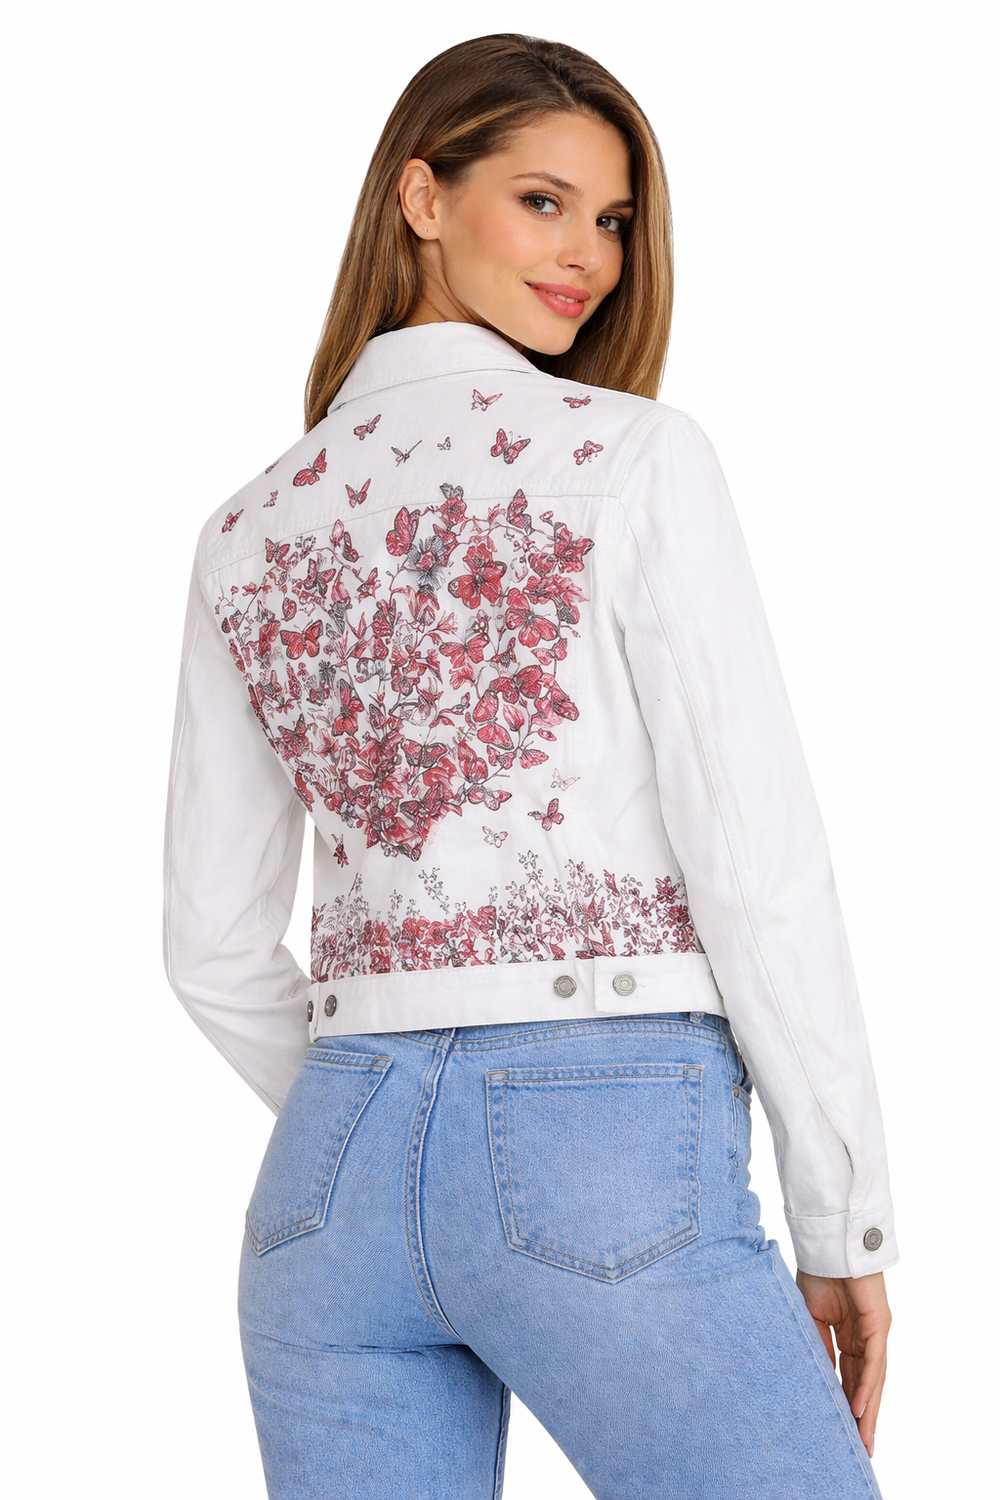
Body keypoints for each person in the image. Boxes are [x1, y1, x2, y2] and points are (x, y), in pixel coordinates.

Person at [164, 33, 895, 1500]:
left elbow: (210, 950)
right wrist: (843, 1217)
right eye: (543, 202)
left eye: (613, 220)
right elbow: (754, 864)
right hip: (605, 1151)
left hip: (327, 1194)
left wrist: (384, 1096)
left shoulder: (248, 527)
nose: (590, 259)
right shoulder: (630, 457)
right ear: (421, 197)